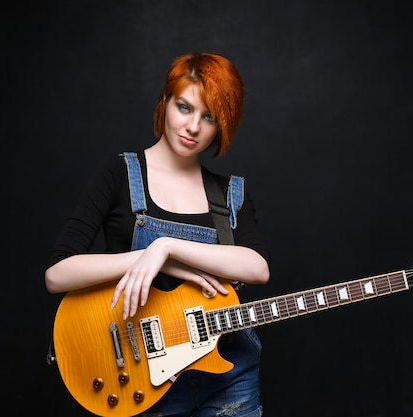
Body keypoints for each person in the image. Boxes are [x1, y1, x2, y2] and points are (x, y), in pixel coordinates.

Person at [45, 52, 271, 417]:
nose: (193, 126)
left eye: (209, 117)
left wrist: (167, 248)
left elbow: (257, 269)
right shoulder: (119, 173)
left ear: (221, 126)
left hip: (229, 376)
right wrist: (143, 257)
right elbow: (57, 275)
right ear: (165, 102)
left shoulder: (230, 193)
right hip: (141, 378)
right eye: (184, 107)